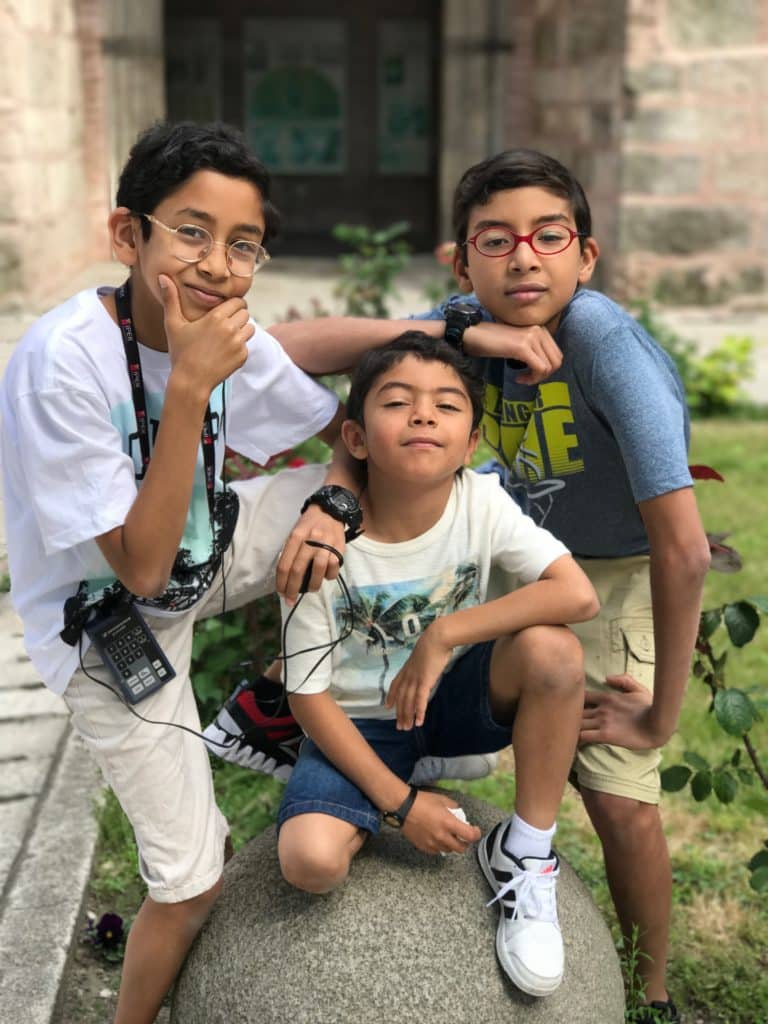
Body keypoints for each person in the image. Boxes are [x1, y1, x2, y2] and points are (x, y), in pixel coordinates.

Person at [218, 149, 711, 1022]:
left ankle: (655, 992)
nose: (524, 258)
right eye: (498, 239)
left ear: (586, 255)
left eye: (549, 236)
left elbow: (683, 550)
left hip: (610, 569)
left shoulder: (606, 346)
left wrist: (663, 711)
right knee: (394, 650)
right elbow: (287, 353)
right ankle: (333, 721)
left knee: (619, 795)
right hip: (492, 555)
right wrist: (452, 339)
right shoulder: (466, 325)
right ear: (463, 259)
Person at [0, 120, 364, 1024]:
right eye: (191, 232)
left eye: (243, 245)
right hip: (108, 624)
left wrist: (340, 499)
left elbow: (334, 427)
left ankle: (274, 704)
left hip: (213, 544)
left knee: (399, 491)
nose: (216, 264)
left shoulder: (216, 329)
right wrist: (194, 388)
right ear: (129, 235)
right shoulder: (63, 362)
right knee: (191, 881)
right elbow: (139, 562)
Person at [276, 331, 599, 998]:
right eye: (398, 402)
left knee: (554, 649)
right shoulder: (322, 542)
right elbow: (308, 698)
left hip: (451, 701)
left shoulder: (479, 501)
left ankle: (525, 852)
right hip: (359, 723)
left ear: (471, 443)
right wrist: (400, 808)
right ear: (357, 439)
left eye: (447, 406)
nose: (424, 415)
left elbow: (577, 593)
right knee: (308, 862)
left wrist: (444, 633)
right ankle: (397, 775)